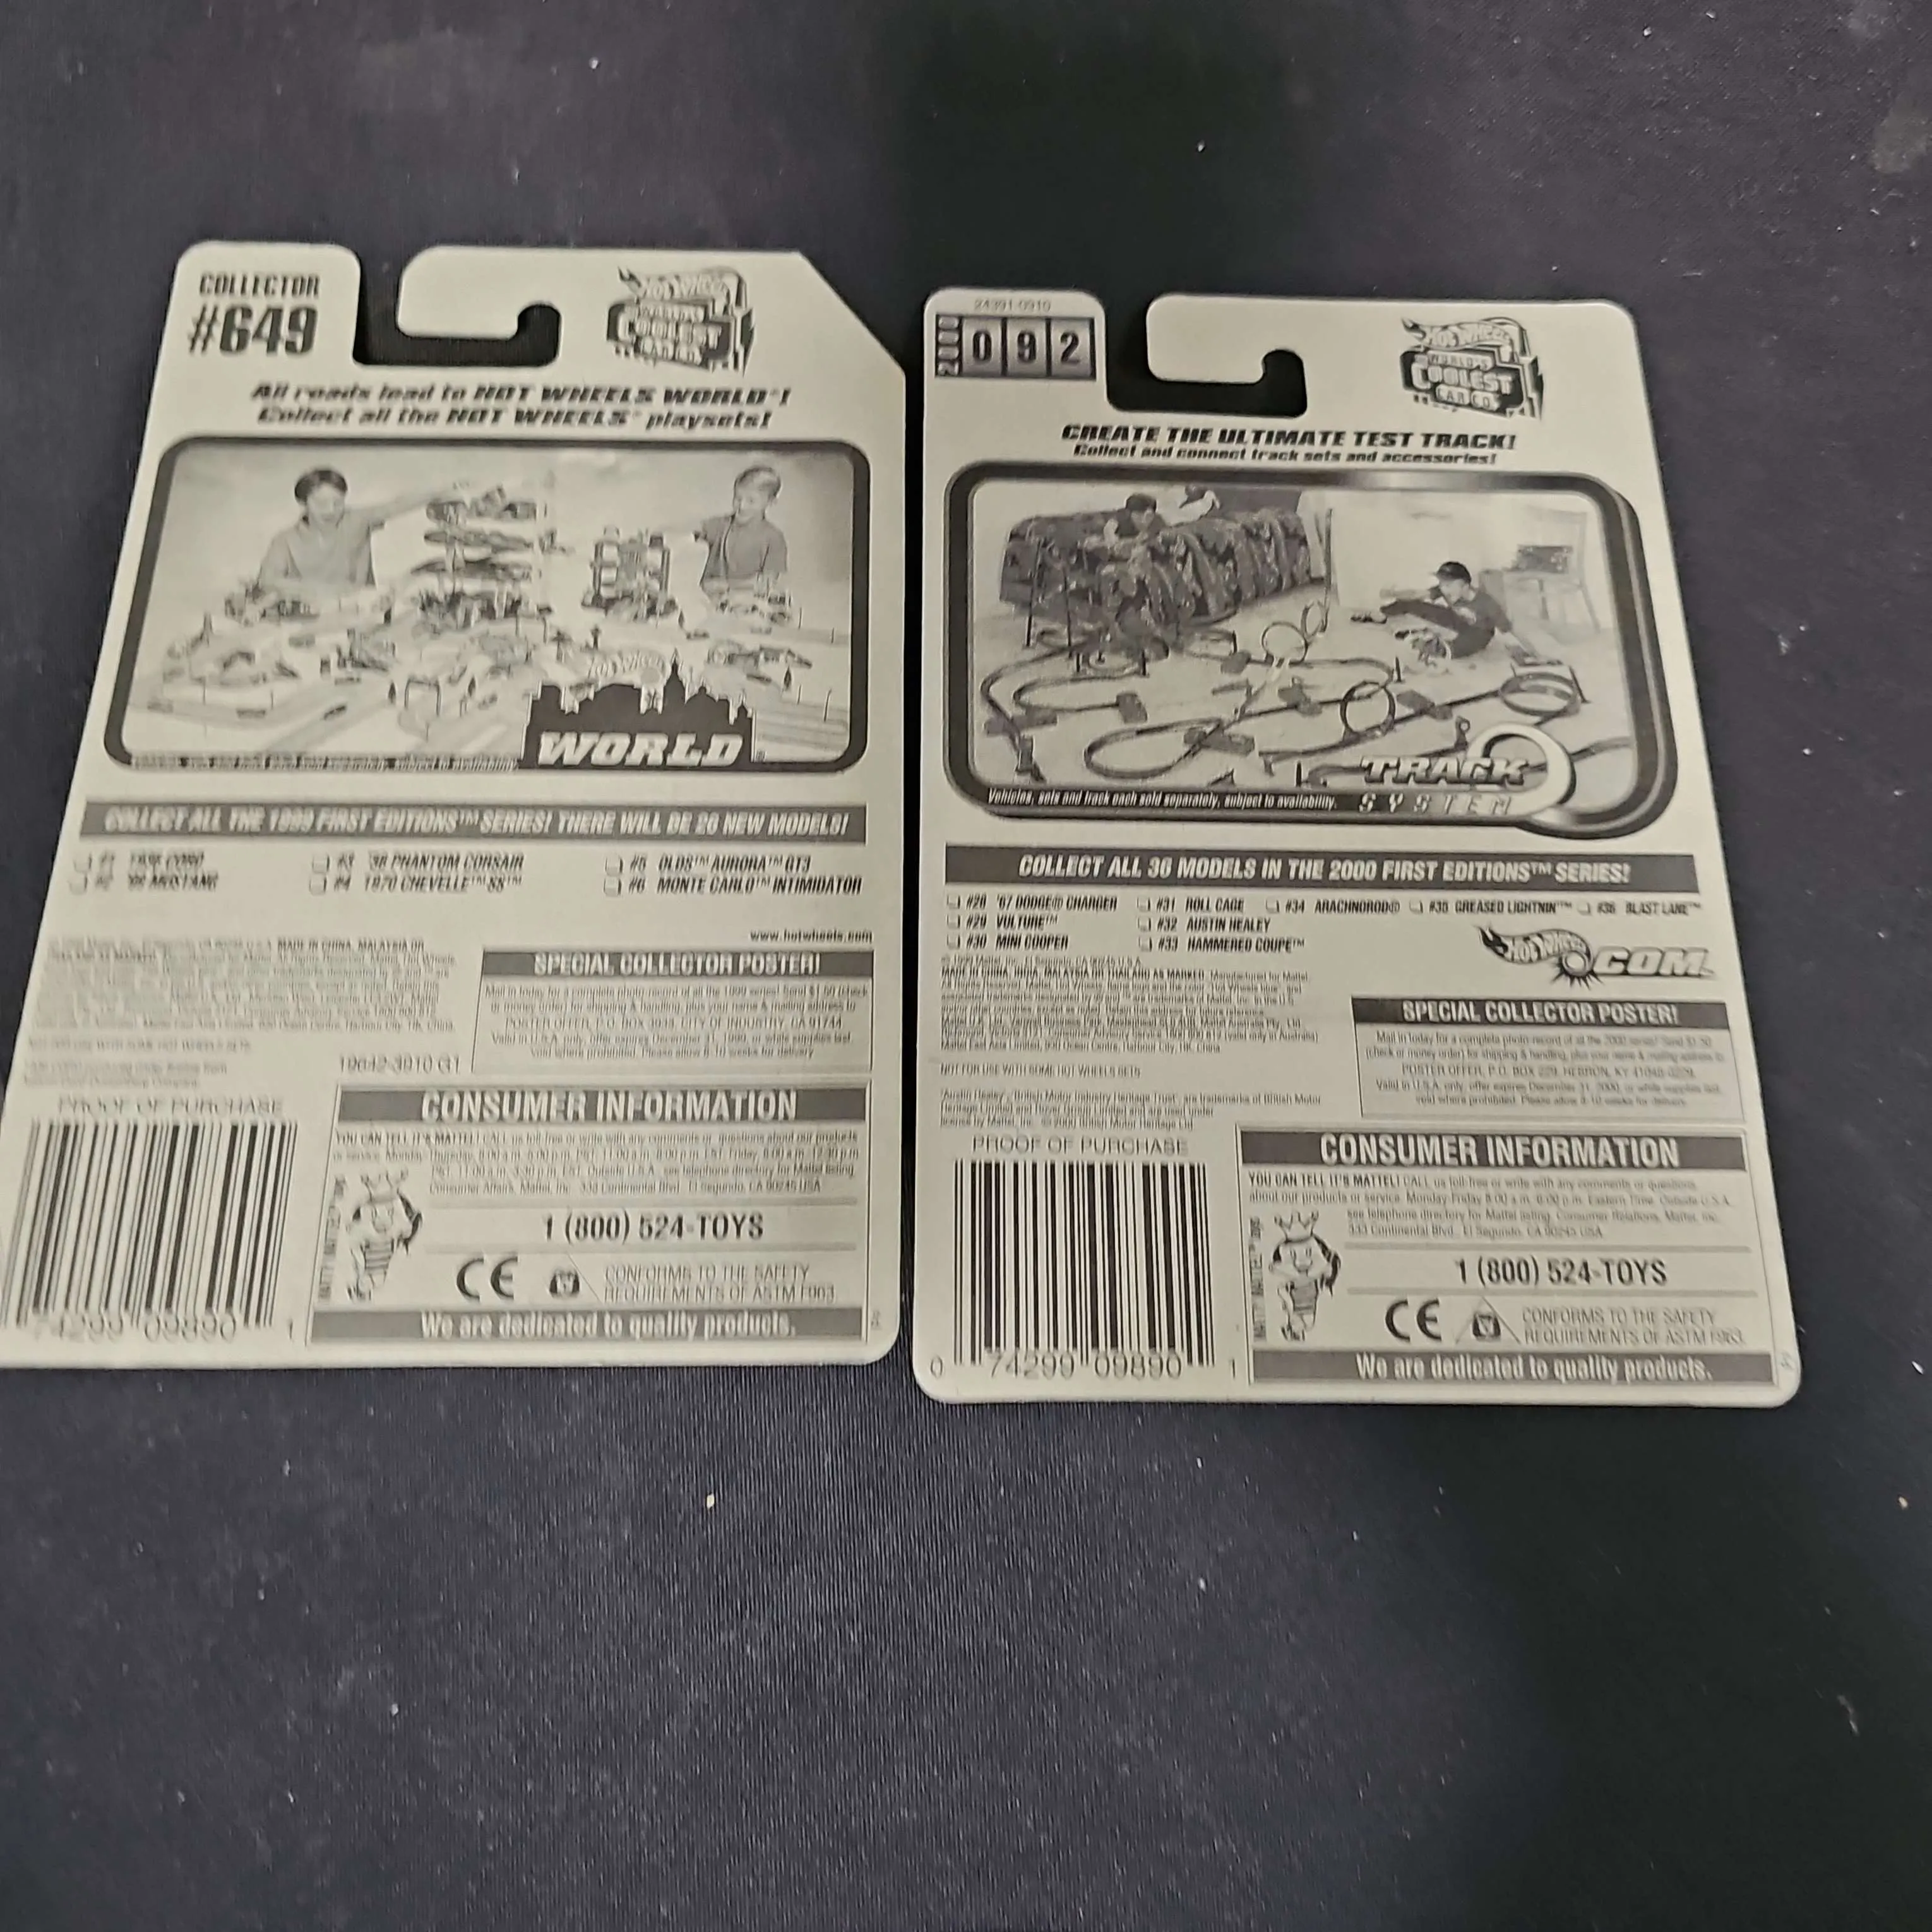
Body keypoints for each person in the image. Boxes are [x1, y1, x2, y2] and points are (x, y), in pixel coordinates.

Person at [255, 468, 455, 597]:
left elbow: (396, 505)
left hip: (364, 611)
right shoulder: (285, 540)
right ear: (304, 503)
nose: (331, 511)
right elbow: (267, 581)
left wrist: (443, 491)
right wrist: (323, 590)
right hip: (311, 615)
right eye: (321, 504)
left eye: (337, 503)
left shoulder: (357, 521)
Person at [1376, 560, 1518, 662]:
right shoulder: (1446, 591)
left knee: (1469, 642)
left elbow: (1508, 628)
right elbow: (1417, 594)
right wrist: (1393, 594)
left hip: (1479, 632)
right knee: (1415, 604)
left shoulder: (1486, 603)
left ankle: (1440, 648)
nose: (1444, 589)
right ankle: (1383, 614)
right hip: (1456, 619)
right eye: (1441, 585)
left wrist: (1525, 651)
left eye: (1448, 585)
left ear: (1465, 586)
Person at [696, 464, 789, 597]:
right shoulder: (721, 525)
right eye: (738, 499)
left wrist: (726, 585)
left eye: (751, 501)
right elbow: (694, 529)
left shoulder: (774, 538)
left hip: (750, 601)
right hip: (710, 600)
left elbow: (766, 583)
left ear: (770, 502)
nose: (742, 506)